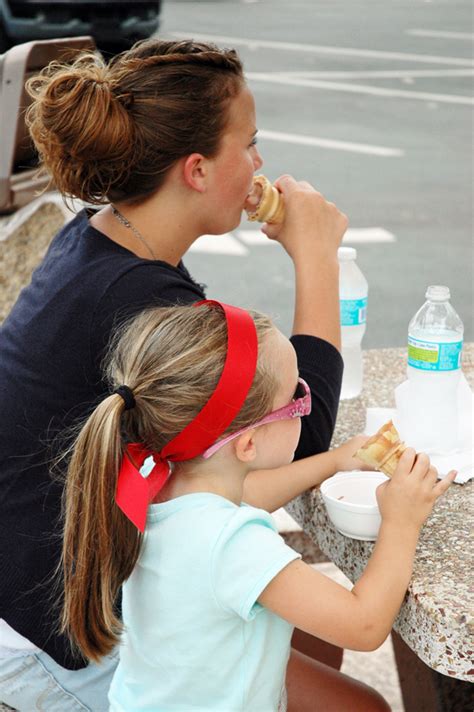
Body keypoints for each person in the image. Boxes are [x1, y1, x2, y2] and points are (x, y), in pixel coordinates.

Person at [0, 39, 347, 709]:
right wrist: (317, 261)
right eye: (249, 143)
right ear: (195, 169)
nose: (259, 163)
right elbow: (303, 431)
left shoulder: (101, 240)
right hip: (57, 636)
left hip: (61, 580)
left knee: (302, 620)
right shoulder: (140, 299)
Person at [57, 300, 454, 712]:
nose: (306, 404)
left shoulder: (157, 483)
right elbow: (365, 624)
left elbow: (250, 493)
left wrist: (334, 461)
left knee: (348, 686)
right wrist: (402, 520)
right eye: (298, 396)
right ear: (248, 444)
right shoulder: (234, 543)